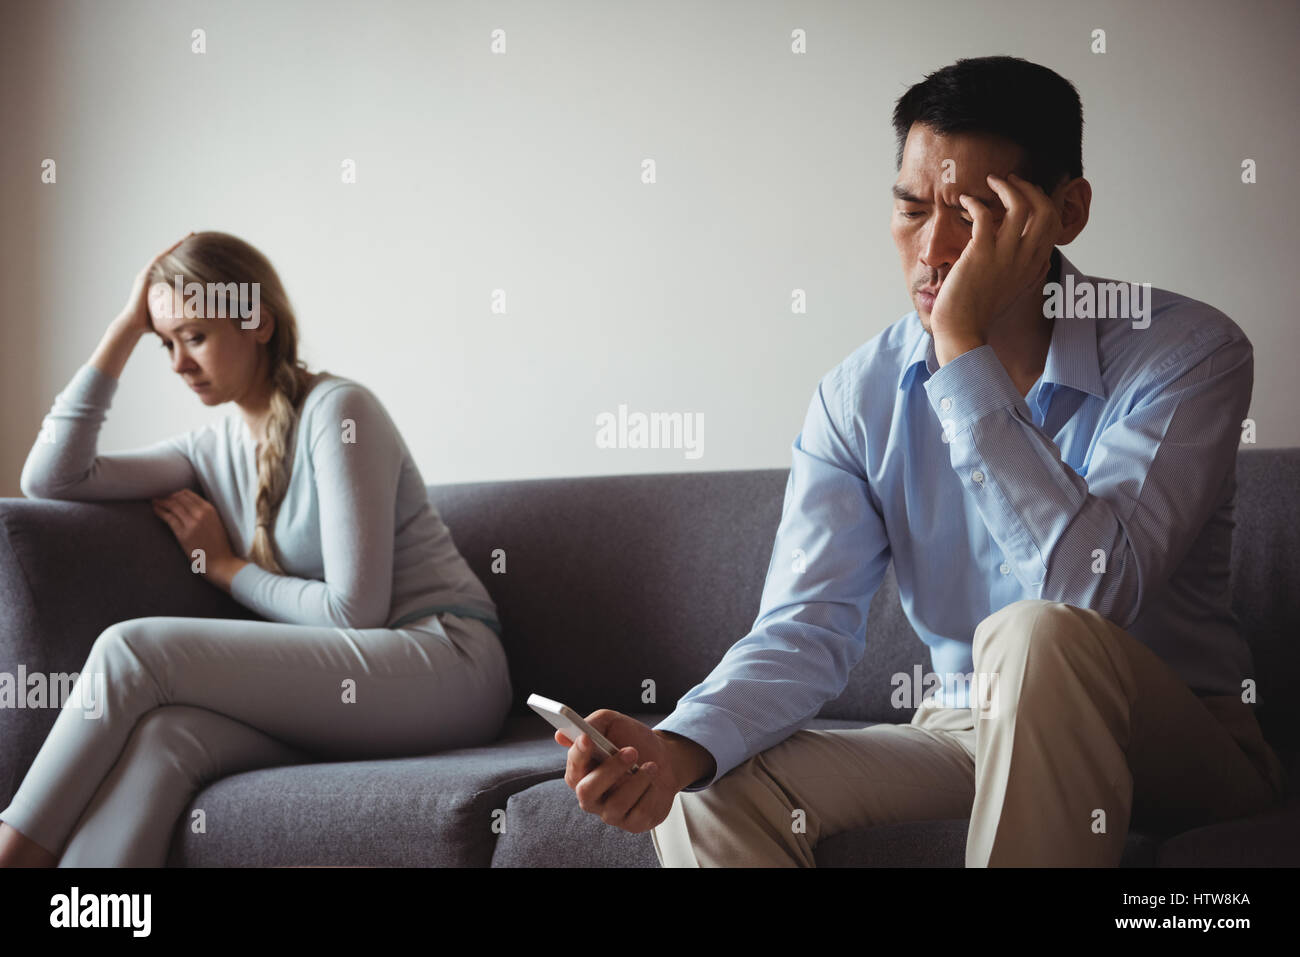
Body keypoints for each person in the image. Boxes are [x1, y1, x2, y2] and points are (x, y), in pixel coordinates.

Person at [553, 55, 1286, 866]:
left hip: (1174, 741)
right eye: (911, 211)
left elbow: (1090, 589)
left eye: (975, 216)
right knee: (709, 797)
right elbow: (804, 628)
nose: (933, 249)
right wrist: (679, 746)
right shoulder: (856, 396)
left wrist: (962, 352)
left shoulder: (1187, 352)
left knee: (1040, 634)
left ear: (1065, 212)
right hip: (967, 731)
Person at [0, 231, 512, 867]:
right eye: (166, 343)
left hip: (445, 661)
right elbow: (51, 479)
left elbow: (357, 613)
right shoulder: (206, 450)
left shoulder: (338, 411)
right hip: (361, 691)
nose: (178, 364)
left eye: (194, 336)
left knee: (132, 650)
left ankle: (13, 854)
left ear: (256, 321)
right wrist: (127, 325)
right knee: (167, 737)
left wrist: (226, 569)